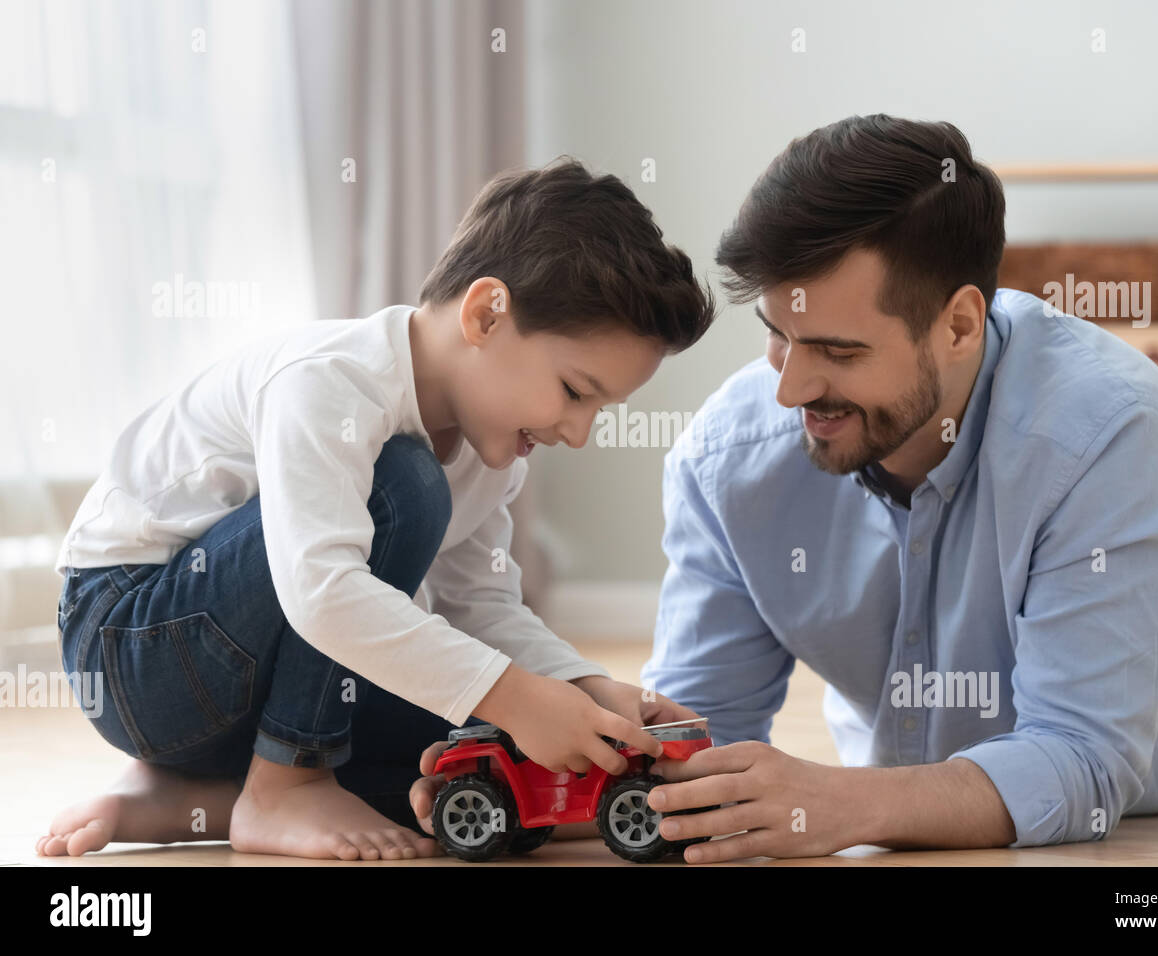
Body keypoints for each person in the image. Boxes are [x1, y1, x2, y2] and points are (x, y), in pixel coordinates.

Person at [630, 114, 1158, 862]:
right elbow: (693, 739)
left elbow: (1081, 761)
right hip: (1138, 569)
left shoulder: (1110, 432)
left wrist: (839, 804)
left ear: (959, 325)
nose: (790, 390)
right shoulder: (731, 458)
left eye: (837, 351)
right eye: (778, 334)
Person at [39, 157, 713, 860]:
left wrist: (583, 690)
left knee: (481, 747)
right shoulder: (332, 382)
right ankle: (286, 783)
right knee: (405, 487)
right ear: (487, 313)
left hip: (236, 685)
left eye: (600, 411)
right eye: (576, 392)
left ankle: (191, 801)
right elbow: (323, 594)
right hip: (133, 646)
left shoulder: (492, 457)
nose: (577, 433)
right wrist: (514, 694)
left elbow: (480, 606)